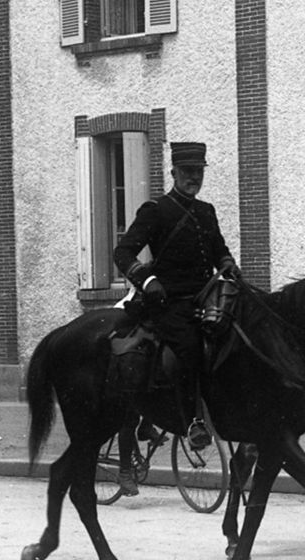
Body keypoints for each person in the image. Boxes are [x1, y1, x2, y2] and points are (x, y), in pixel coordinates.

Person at [111, 141, 238, 450]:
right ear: (174, 173)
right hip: (168, 302)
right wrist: (148, 279)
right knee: (190, 346)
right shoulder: (156, 210)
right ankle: (194, 421)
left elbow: (219, 251)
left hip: (205, 299)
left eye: (198, 172)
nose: (193, 178)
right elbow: (123, 252)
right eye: (187, 172)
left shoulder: (206, 211)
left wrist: (228, 266)